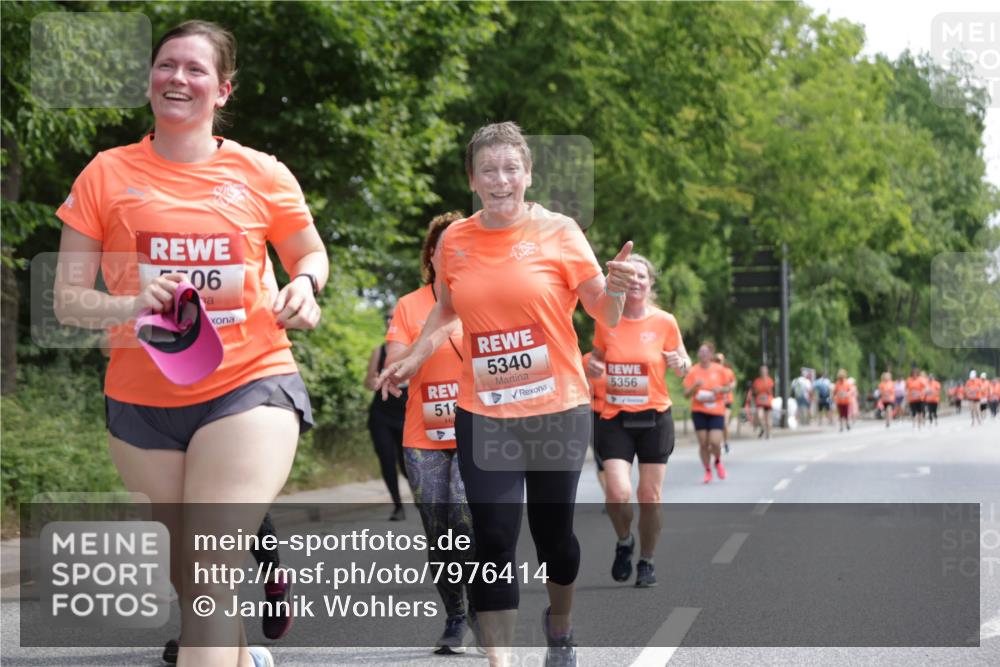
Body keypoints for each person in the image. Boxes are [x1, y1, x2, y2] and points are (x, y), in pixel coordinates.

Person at [52, 20, 328, 667]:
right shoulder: (105, 173)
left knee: (209, 567)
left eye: (195, 68)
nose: (177, 77)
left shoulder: (262, 174)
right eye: (166, 64)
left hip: (249, 382)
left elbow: (308, 251)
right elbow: (67, 299)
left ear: (223, 89)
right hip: (143, 403)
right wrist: (129, 303)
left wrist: (307, 284)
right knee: (197, 585)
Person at [375, 121, 636, 667]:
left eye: (510, 168)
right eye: (488, 170)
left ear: (528, 173)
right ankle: (501, 661)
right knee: (491, 539)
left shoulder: (560, 232)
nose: (500, 181)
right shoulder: (456, 241)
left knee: (554, 539)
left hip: (556, 410)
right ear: (472, 178)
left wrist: (616, 288)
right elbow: (446, 311)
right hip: (484, 414)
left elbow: (602, 312)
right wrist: (410, 361)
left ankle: (560, 629)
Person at [383, 211, 478, 653]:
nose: (453, 252)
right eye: (446, 246)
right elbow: (397, 362)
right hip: (424, 436)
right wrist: (401, 366)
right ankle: (454, 615)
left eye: (463, 245)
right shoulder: (410, 305)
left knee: (463, 516)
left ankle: (479, 606)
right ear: (432, 256)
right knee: (438, 532)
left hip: (477, 430)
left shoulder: (487, 298)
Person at [588, 254, 690, 589]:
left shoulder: (664, 322)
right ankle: (623, 541)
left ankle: (646, 560)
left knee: (649, 495)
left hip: (654, 416)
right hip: (614, 417)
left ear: (650, 283)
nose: (635, 282)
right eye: (629, 276)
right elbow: (597, 357)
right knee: (618, 492)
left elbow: (683, 362)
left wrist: (680, 363)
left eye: (641, 277)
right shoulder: (606, 321)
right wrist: (592, 366)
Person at [364, 310, 410, 521]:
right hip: (381, 416)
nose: (390, 321)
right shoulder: (379, 351)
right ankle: (398, 506)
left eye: (394, 318)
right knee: (387, 460)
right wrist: (373, 383)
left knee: (407, 463)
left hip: (407, 416)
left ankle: (420, 497)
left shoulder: (414, 350)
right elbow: (368, 382)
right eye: (387, 318)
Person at [684, 343, 733, 484]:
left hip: (716, 410)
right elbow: (686, 394)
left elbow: (730, 386)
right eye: (701, 352)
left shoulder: (719, 370)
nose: (704, 355)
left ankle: (717, 461)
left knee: (715, 442)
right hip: (699, 410)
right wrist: (695, 386)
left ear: (711, 355)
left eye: (706, 352)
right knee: (703, 443)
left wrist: (721, 390)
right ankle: (707, 470)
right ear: (698, 355)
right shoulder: (693, 371)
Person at [583, 351, 608, 496]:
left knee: (617, 457)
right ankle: (610, 497)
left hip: (618, 413)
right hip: (594, 412)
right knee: (601, 457)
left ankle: (619, 492)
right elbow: (579, 383)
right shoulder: (587, 359)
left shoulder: (623, 356)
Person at [714, 352, 737, 452]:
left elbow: (733, 383)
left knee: (724, 422)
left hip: (727, 401)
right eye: (716, 360)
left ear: (723, 361)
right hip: (715, 401)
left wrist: (728, 388)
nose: (718, 362)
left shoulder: (728, 371)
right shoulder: (712, 371)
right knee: (716, 424)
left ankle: (726, 442)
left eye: (719, 360)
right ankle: (718, 443)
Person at [752, 366, 775, 439]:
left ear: (767, 372)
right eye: (762, 371)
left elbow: (770, 391)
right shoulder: (757, 381)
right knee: (759, 416)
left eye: (764, 371)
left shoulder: (769, 380)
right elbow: (755, 391)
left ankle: (769, 434)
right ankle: (763, 428)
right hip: (759, 401)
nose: (763, 372)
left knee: (768, 418)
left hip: (767, 401)